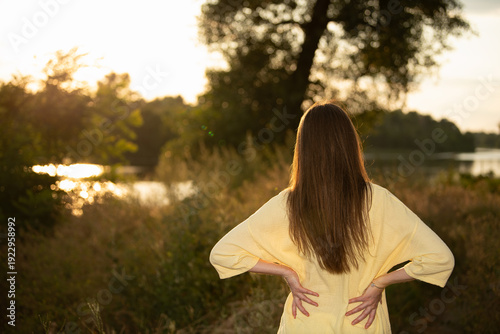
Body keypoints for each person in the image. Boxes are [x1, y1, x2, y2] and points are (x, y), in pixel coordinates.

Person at [209, 101, 454, 333]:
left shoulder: (287, 204)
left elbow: (223, 254)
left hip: (305, 323)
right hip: (363, 323)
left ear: (303, 148)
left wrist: (287, 273)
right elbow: (440, 259)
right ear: (350, 144)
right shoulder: (379, 200)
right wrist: (379, 283)